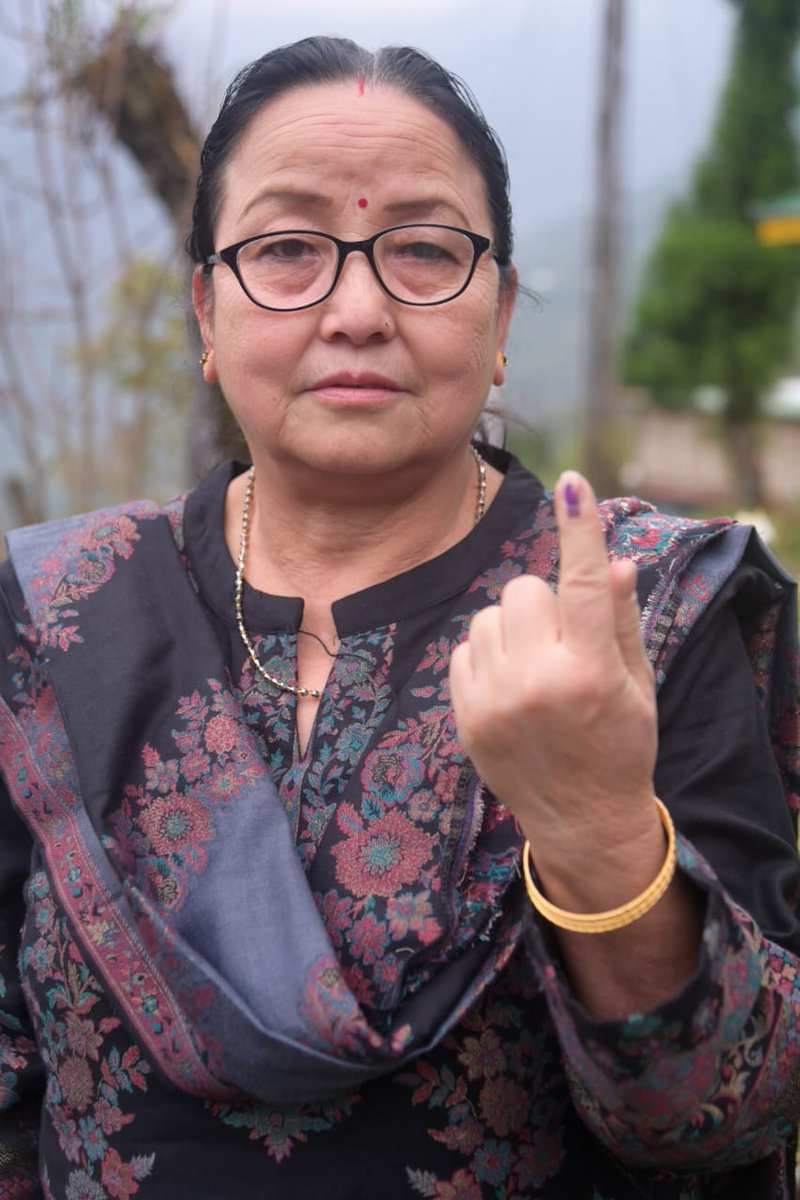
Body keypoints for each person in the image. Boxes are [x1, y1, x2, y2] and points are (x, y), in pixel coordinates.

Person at [1, 34, 798, 1200]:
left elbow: (718, 1116)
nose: (359, 309)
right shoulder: (59, 615)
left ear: (502, 311)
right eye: (285, 250)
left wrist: (595, 829)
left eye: (423, 250)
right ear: (205, 315)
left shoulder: (643, 611)